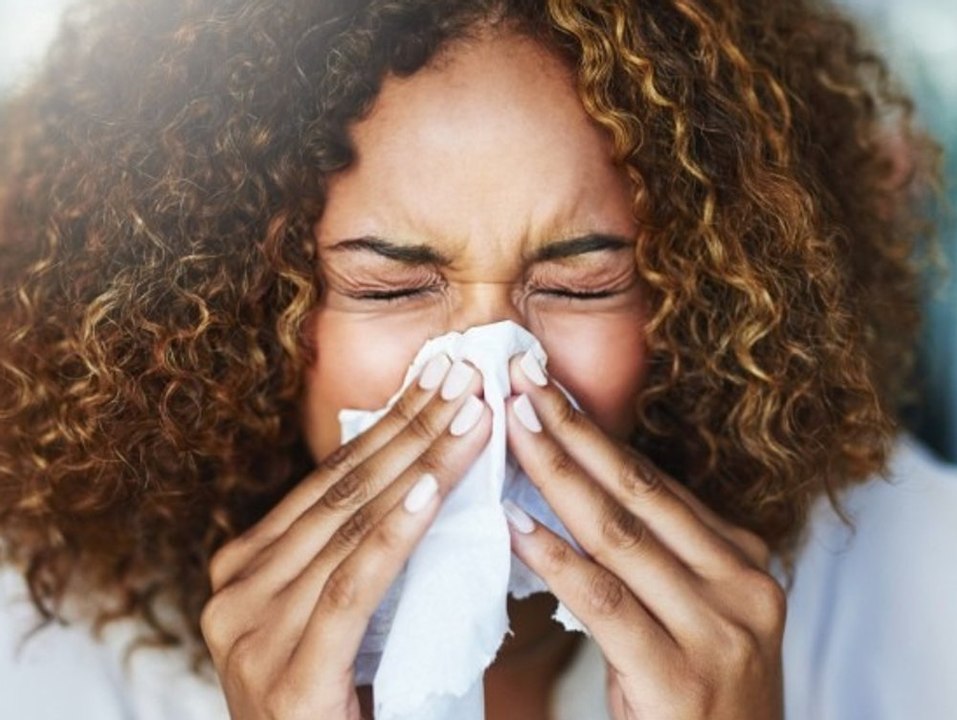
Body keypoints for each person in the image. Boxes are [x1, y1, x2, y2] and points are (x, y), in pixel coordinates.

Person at [0, 0, 953, 718]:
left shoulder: (912, 584)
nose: (496, 382)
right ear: (232, 313)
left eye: (582, 285)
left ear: (694, 302)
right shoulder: (53, 658)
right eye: (389, 287)